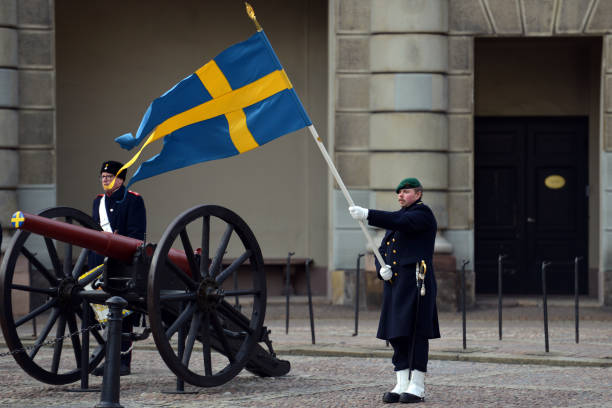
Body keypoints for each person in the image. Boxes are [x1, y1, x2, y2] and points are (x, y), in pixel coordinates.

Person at [349, 177, 439, 404]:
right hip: (396, 286)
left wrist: (368, 214)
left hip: (416, 283)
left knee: (416, 333)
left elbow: (402, 222)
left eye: (406, 192)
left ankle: (417, 384)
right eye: (398, 192)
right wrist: (381, 270)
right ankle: (401, 382)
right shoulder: (398, 220)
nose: (400, 195)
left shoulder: (422, 214)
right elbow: (382, 250)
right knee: (396, 333)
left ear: (418, 194)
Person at [88, 160, 146, 376]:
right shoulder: (98, 202)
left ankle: (122, 361)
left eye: (109, 176)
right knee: (99, 312)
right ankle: (105, 356)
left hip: (122, 264)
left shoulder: (132, 200)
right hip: (99, 264)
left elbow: (136, 235)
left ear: (120, 179)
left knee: (123, 313)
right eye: (103, 176)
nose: (105, 179)